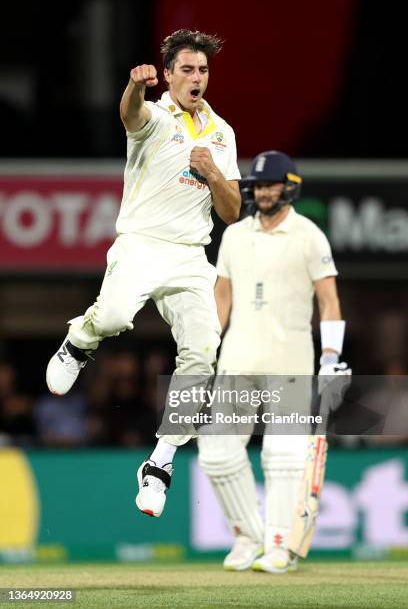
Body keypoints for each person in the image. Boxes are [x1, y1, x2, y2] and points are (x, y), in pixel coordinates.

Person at [46, 29, 241, 516]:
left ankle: (160, 462)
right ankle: (80, 341)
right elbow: (130, 115)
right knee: (112, 318)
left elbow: (234, 213)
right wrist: (134, 87)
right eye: (187, 70)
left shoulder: (223, 133)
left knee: (202, 353)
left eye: (203, 71)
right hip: (142, 244)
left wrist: (215, 173)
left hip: (191, 256)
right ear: (170, 75)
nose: (197, 78)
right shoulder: (155, 116)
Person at [197, 151, 351, 573]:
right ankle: (249, 536)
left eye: (272, 185)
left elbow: (329, 300)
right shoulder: (234, 236)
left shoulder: (309, 235)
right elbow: (222, 298)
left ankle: (280, 546)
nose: (263, 192)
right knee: (215, 451)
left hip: (291, 361)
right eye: (258, 185)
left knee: (282, 455)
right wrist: (205, 350)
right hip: (237, 359)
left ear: (290, 186)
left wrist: (332, 357)